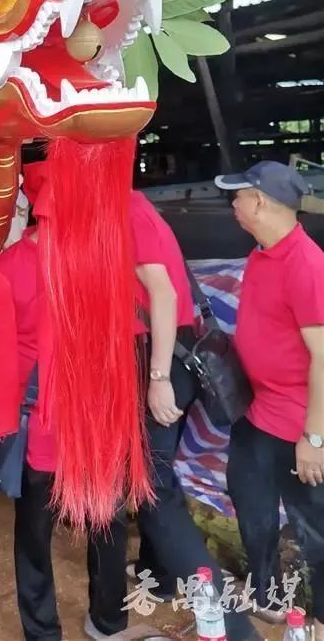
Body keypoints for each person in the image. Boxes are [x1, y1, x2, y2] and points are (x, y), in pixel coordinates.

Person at [0, 168, 260, 641]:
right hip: (92, 420)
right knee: (107, 518)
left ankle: (47, 631)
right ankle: (109, 620)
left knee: (41, 531)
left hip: (53, 419)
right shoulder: (96, 261)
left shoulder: (17, 264)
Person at [216, 162, 324, 638]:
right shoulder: (263, 254)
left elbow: (323, 357)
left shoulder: (307, 264)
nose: (232, 205)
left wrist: (314, 438)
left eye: (237, 197)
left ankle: (320, 617)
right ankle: (266, 595)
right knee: (251, 502)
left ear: (259, 200)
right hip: (257, 412)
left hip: (299, 424)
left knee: (314, 527)